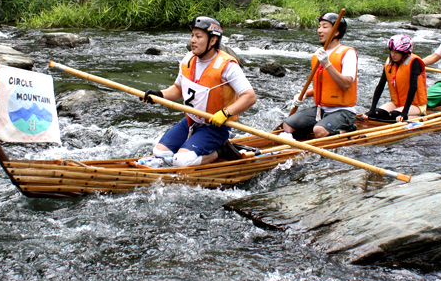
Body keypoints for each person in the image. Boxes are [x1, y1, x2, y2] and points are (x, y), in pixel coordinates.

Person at [140, 16, 256, 167]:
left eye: (198, 36)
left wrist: (226, 113)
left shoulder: (228, 66)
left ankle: (222, 151)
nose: (192, 41)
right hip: (191, 121)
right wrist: (159, 95)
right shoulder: (188, 59)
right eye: (192, 35)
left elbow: (249, 97)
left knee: (182, 161)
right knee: (160, 152)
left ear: (212, 41)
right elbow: (178, 89)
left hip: (215, 127)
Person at [281, 13, 358, 139]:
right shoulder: (318, 54)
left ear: (336, 32)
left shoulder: (348, 53)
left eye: (324, 27)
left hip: (344, 112)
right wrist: (304, 94)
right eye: (319, 26)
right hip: (321, 110)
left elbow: (346, 84)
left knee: (319, 131)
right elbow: (322, 87)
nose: (319, 30)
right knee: (288, 125)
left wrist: (327, 64)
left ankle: (348, 129)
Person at [364, 34, 427, 122]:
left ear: (404, 53)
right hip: (397, 103)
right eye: (392, 51)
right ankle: (397, 113)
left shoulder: (414, 62)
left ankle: (420, 117)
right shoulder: (390, 62)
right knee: (377, 114)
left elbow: (413, 88)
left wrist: (404, 112)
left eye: (396, 52)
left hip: (416, 105)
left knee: (394, 116)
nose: (393, 55)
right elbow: (380, 86)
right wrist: (372, 109)